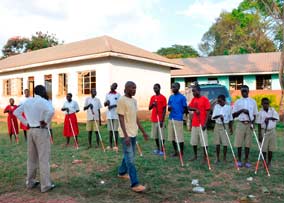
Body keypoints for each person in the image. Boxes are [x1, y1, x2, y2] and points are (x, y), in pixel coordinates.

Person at [13, 85, 55, 193]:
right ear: (42, 91)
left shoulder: (27, 101)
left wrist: (25, 122)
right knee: (43, 158)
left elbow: (16, 112)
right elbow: (51, 111)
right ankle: (45, 185)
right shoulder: (43, 101)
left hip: (30, 131)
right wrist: (45, 121)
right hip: (41, 131)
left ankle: (30, 182)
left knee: (31, 158)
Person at [117, 81, 149, 193]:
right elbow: (120, 118)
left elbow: (135, 118)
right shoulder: (121, 100)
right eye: (132, 88)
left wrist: (143, 132)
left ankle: (121, 172)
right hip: (125, 134)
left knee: (129, 155)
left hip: (133, 133)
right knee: (130, 159)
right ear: (126, 88)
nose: (134, 90)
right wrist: (125, 135)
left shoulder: (134, 101)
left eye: (135, 88)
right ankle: (135, 184)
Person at [232, 85, 258, 168]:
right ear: (241, 92)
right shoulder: (237, 102)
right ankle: (239, 160)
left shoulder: (253, 102)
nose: (244, 92)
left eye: (245, 91)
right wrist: (241, 110)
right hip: (240, 123)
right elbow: (233, 115)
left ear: (248, 91)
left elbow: (255, 115)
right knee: (239, 143)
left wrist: (253, 123)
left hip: (249, 124)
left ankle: (246, 160)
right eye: (242, 91)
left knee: (248, 143)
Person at [188, 85, 211, 162]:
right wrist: (195, 109)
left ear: (199, 91)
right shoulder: (193, 99)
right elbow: (189, 107)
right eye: (192, 91)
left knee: (204, 142)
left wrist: (205, 123)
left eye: (194, 91)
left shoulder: (205, 99)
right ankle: (195, 156)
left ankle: (205, 157)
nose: (193, 93)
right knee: (194, 141)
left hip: (202, 124)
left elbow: (208, 112)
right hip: (194, 123)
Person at [256, 98, 279, 168]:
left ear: (269, 104)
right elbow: (259, 124)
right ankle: (264, 162)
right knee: (264, 148)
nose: (266, 105)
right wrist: (259, 134)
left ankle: (269, 162)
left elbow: (276, 118)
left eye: (267, 103)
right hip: (264, 131)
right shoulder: (260, 113)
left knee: (271, 148)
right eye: (264, 103)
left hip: (272, 131)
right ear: (262, 104)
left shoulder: (272, 110)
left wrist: (269, 118)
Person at [212, 94, 233, 163]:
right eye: (218, 101)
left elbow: (230, 119)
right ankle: (217, 158)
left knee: (225, 143)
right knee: (217, 143)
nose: (219, 103)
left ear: (224, 101)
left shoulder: (229, 107)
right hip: (217, 125)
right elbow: (213, 117)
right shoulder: (216, 107)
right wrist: (219, 116)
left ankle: (224, 158)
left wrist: (231, 128)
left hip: (225, 125)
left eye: (220, 101)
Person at [168, 82, 187, 157]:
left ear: (178, 88)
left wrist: (181, 113)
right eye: (172, 87)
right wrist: (169, 108)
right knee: (172, 136)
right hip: (171, 118)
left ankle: (181, 152)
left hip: (178, 119)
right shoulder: (171, 97)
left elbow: (185, 109)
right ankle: (176, 151)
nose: (173, 88)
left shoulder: (182, 97)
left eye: (174, 87)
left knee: (179, 137)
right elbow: (169, 108)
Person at [149, 83, 167, 155]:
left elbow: (164, 109)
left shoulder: (163, 97)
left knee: (161, 135)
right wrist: (152, 104)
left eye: (156, 88)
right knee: (155, 135)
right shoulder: (152, 97)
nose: (155, 89)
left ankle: (162, 149)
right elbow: (149, 108)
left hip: (160, 119)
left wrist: (162, 120)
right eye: (154, 88)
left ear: (159, 88)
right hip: (154, 118)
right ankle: (158, 148)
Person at [104, 83, 120, 150]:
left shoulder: (118, 95)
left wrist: (112, 106)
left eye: (114, 86)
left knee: (115, 130)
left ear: (115, 88)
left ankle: (116, 145)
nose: (112, 87)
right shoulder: (107, 94)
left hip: (116, 115)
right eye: (112, 85)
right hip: (109, 115)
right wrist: (106, 103)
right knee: (110, 130)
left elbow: (119, 104)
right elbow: (105, 104)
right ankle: (110, 145)